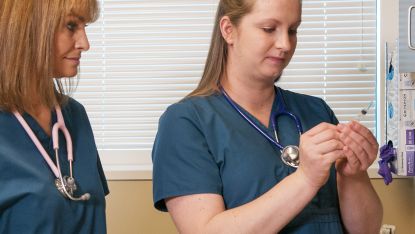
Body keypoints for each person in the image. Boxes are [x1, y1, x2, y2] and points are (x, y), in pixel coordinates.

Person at [152, 0, 383, 233]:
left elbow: (367, 229)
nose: (285, 44)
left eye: (292, 30)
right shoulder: (186, 123)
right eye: (269, 29)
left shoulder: (316, 111)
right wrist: (305, 179)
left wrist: (353, 176)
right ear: (228, 30)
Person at [0, 0, 109, 233]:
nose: (85, 44)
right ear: (27, 27)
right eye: (71, 26)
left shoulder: (75, 116)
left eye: (85, 28)